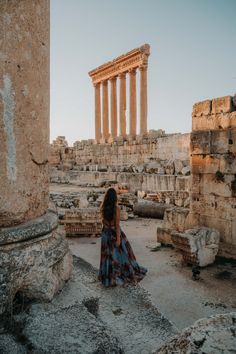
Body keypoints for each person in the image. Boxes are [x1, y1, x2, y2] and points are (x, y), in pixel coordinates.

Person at [98, 187, 147, 287]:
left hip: (105, 234)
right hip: (113, 233)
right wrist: (118, 239)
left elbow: (103, 222)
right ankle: (117, 275)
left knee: (107, 256)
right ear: (114, 197)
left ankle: (107, 276)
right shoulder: (116, 209)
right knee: (122, 255)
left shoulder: (102, 207)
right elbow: (117, 225)